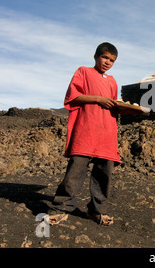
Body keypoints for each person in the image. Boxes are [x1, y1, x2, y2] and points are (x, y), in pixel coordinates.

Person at [48, 42, 121, 226]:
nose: (107, 62)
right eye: (104, 57)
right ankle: (61, 207)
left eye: (112, 60)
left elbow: (112, 104)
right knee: (75, 170)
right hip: (86, 130)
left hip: (106, 133)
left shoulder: (112, 81)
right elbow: (72, 96)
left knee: (104, 174)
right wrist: (98, 99)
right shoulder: (83, 72)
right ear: (96, 56)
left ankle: (97, 211)